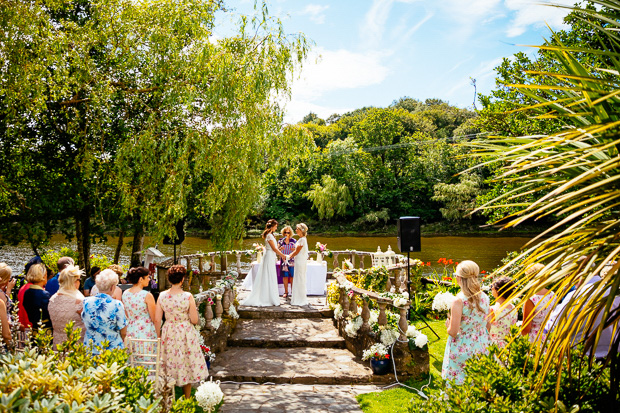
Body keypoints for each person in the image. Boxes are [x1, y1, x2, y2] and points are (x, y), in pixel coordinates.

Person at [155, 265, 208, 399]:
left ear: (169, 279)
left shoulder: (162, 296)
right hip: (184, 331)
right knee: (186, 361)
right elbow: (195, 320)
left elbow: (157, 319)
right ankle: (187, 398)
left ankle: (168, 398)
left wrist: (158, 336)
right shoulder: (187, 296)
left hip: (169, 330)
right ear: (183, 279)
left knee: (168, 361)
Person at [442, 260, 490, 385]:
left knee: (458, 385)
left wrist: (448, 326)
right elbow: (488, 324)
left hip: (463, 346)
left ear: (458, 278)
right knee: (479, 381)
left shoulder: (458, 301)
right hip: (481, 342)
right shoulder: (485, 297)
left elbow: (453, 332)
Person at [242, 219, 287, 307]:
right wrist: (282, 255)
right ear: (272, 226)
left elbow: (274, 249)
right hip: (269, 256)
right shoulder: (269, 236)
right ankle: (267, 298)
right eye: (276, 226)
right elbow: (273, 249)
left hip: (271, 256)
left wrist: (279, 250)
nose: (276, 228)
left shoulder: (271, 235)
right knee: (268, 275)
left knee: (271, 275)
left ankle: (271, 297)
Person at [81, 269, 127, 353]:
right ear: (112, 287)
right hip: (111, 347)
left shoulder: (86, 302)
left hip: (91, 347)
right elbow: (123, 331)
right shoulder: (117, 304)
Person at [123, 267, 157, 361]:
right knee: (147, 358)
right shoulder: (147, 295)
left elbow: (126, 313)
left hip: (131, 328)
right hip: (145, 330)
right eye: (147, 277)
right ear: (141, 279)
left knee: (132, 359)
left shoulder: (125, 293)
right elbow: (154, 317)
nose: (149, 279)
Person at [48, 265, 85, 347]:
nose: (80, 282)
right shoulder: (78, 301)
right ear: (74, 281)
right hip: (75, 343)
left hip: (58, 343)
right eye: (79, 280)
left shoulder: (52, 299)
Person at [521, 263, 556, 342]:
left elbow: (526, 328)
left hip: (536, 339)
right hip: (550, 336)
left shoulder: (531, 299)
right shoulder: (552, 295)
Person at [487, 277, 517, 347]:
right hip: (508, 343)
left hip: (495, 344)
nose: (491, 288)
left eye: (492, 287)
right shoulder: (513, 308)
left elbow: (488, 330)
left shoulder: (492, 309)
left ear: (497, 290)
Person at [23, 263, 53, 331]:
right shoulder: (45, 295)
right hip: (45, 329)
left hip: (34, 327)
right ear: (43, 276)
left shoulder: (27, 293)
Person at [288, 223, 309, 307]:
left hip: (300, 261)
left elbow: (296, 251)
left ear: (301, 230)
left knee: (299, 278)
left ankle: (299, 298)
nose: (295, 230)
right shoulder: (302, 239)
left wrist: (287, 257)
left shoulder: (302, 240)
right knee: (299, 277)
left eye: (297, 229)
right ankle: (299, 297)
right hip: (299, 260)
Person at [278, 226, 297, 299]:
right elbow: (277, 249)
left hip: (292, 259)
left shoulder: (294, 240)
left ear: (291, 233)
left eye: (288, 232)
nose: (286, 234)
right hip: (284, 259)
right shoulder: (280, 240)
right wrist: (280, 249)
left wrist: (294, 249)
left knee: (292, 275)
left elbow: (297, 250)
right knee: (285, 275)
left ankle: (293, 291)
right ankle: (286, 292)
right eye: (285, 232)